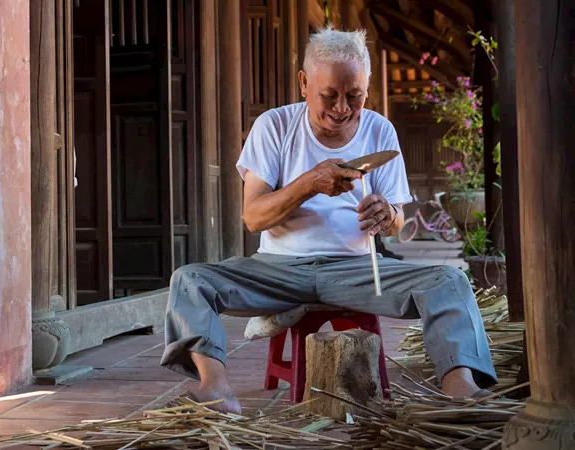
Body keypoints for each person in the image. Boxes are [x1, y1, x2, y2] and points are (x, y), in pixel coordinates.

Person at [158, 26, 496, 414]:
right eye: (329, 95)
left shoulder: (379, 130)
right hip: (277, 270)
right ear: (304, 83)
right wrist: (309, 183)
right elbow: (253, 217)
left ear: (366, 87)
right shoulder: (275, 126)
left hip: (356, 271)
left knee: (450, 281)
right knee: (189, 280)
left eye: (354, 95)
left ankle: (459, 389)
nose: (342, 108)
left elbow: (399, 223)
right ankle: (215, 388)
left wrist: (387, 216)